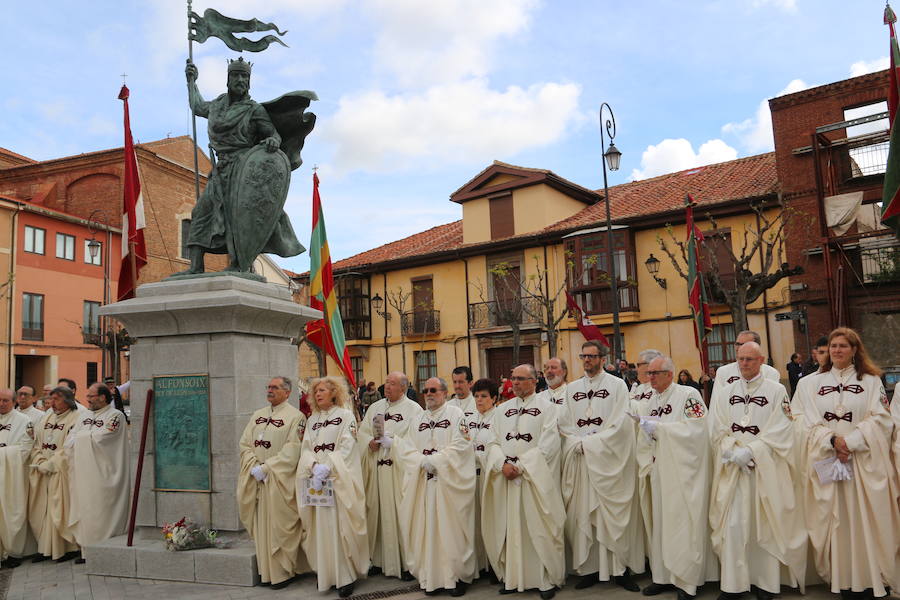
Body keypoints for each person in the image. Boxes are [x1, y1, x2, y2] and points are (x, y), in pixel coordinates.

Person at [793, 328, 899, 598]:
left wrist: (851, 442)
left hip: (862, 461)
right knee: (834, 520)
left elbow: (882, 419)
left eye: (843, 345)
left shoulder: (872, 381)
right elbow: (800, 419)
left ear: (854, 350)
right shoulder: (809, 384)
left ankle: (870, 577)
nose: (837, 350)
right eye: (833, 345)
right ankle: (841, 578)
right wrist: (830, 440)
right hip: (827, 459)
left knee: (865, 520)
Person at [181, 58, 310, 274]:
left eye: (245, 77)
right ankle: (195, 266)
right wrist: (191, 81)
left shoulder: (254, 109)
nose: (240, 80)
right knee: (202, 212)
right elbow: (197, 106)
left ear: (249, 82)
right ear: (228, 79)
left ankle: (239, 264)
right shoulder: (217, 105)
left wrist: (273, 141)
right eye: (236, 75)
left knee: (237, 218)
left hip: (243, 170)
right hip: (221, 169)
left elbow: (273, 134)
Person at [709, 342, 806, 600]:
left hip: (764, 470)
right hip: (734, 470)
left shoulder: (776, 391)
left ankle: (765, 583)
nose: (744, 364)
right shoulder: (724, 391)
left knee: (764, 524)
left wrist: (753, 452)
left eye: (750, 359)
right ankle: (733, 585)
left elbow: (783, 428)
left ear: (761, 360)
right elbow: (716, 427)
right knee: (734, 526)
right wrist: (732, 450)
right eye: (740, 359)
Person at [560, 342, 643, 591]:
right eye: (583, 355)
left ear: (602, 358)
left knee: (611, 516)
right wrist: (577, 443)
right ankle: (590, 569)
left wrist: (593, 444)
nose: (586, 360)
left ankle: (620, 569)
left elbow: (621, 423)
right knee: (584, 513)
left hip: (608, 462)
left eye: (591, 356)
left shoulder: (617, 386)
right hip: (582, 461)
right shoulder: (571, 388)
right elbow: (563, 423)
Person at [635, 356, 717, 600]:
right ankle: (662, 576)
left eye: (654, 373)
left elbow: (697, 429)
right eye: (648, 373)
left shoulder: (688, 395)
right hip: (659, 470)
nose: (649, 378)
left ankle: (686, 580)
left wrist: (660, 430)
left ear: (669, 374)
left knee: (682, 525)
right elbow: (645, 433)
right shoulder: (650, 399)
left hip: (684, 473)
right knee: (661, 523)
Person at [482, 364, 564, 600]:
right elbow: (492, 442)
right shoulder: (502, 410)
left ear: (534, 381)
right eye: (512, 378)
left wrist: (521, 467)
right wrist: (502, 465)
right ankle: (513, 578)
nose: (515, 383)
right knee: (511, 528)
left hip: (533, 479)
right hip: (507, 479)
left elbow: (549, 445)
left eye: (520, 378)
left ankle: (544, 579)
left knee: (538, 528)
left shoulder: (549, 409)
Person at [398, 377, 476, 596]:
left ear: (444, 392)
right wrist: (422, 461)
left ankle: (456, 577)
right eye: (426, 390)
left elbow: (462, 444)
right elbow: (407, 448)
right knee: (427, 531)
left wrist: (437, 461)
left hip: (448, 484)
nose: (429, 393)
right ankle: (431, 578)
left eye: (433, 390)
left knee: (451, 531)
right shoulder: (417, 419)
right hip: (424, 484)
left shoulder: (456, 415)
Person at [297, 376, 367, 598]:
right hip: (317, 482)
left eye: (323, 390)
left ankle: (345, 576)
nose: (318, 394)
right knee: (322, 529)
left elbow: (348, 446)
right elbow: (306, 447)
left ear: (334, 393)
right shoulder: (312, 420)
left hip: (337, 481)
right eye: (316, 391)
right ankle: (327, 573)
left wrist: (328, 467)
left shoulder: (346, 417)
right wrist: (314, 466)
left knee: (340, 529)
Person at [237, 376, 307, 589]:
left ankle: (285, 572)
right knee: (263, 528)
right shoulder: (257, 415)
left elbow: (293, 450)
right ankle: (267, 573)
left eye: (275, 387)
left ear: (287, 392)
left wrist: (267, 468)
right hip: (258, 480)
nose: (270, 390)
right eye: (268, 387)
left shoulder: (297, 417)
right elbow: (245, 443)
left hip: (279, 482)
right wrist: (253, 466)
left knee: (280, 528)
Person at [358, 371, 422, 580]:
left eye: (392, 383)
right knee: (376, 514)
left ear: (403, 388)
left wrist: (394, 444)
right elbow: (363, 431)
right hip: (377, 469)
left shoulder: (414, 410)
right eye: (386, 382)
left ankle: (405, 563)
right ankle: (379, 560)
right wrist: (369, 442)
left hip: (398, 470)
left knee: (401, 515)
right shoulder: (375, 407)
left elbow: (416, 440)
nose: (387, 386)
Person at [68, 383, 130, 562]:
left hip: (105, 474)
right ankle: (87, 551)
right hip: (85, 473)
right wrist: (81, 438)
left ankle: (106, 549)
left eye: (91, 396)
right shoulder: (84, 415)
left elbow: (104, 438)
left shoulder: (115, 416)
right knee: (87, 510)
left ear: (103, 397)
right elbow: (71, 436)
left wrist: (80, 438)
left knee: (103, 512)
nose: (87, 399)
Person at [28, 386, 84, 562]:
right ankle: (45, 548)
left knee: (60, 510)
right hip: (43, 471)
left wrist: (53, 463)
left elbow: (71, 446)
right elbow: (37, 443)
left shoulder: (78, 417)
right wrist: (40, 461)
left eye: (56, 399)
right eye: (51, 399)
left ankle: (67, 548)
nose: (52, 403)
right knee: (42, 511)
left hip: (62, 472)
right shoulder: (47, 417)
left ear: (67, 400)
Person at [0, 388, 35, 569]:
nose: (1, 404)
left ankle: (14, 552)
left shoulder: (25, 421)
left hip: (13, 476)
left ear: (13, 402)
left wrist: (3, 454)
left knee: (13, 512)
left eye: (5, 400)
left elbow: (25, 449)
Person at [710, 331, 780, 419]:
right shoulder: (723, 372)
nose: (738, 348)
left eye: (744, 344)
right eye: (737, 344)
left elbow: (773, 405)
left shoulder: (770, 373)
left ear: (756, 346)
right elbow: (716, 405)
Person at [469, 378, 499, 580]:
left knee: (492, 521)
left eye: (484, 396)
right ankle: (480, 564)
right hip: (470, 478)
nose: (479, 400)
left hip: (490, 478)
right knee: (475, 523)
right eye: (477, 396)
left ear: (494, 398)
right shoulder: (469, 419)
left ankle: (495, 565)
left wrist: (477, 455)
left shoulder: (499, 418)